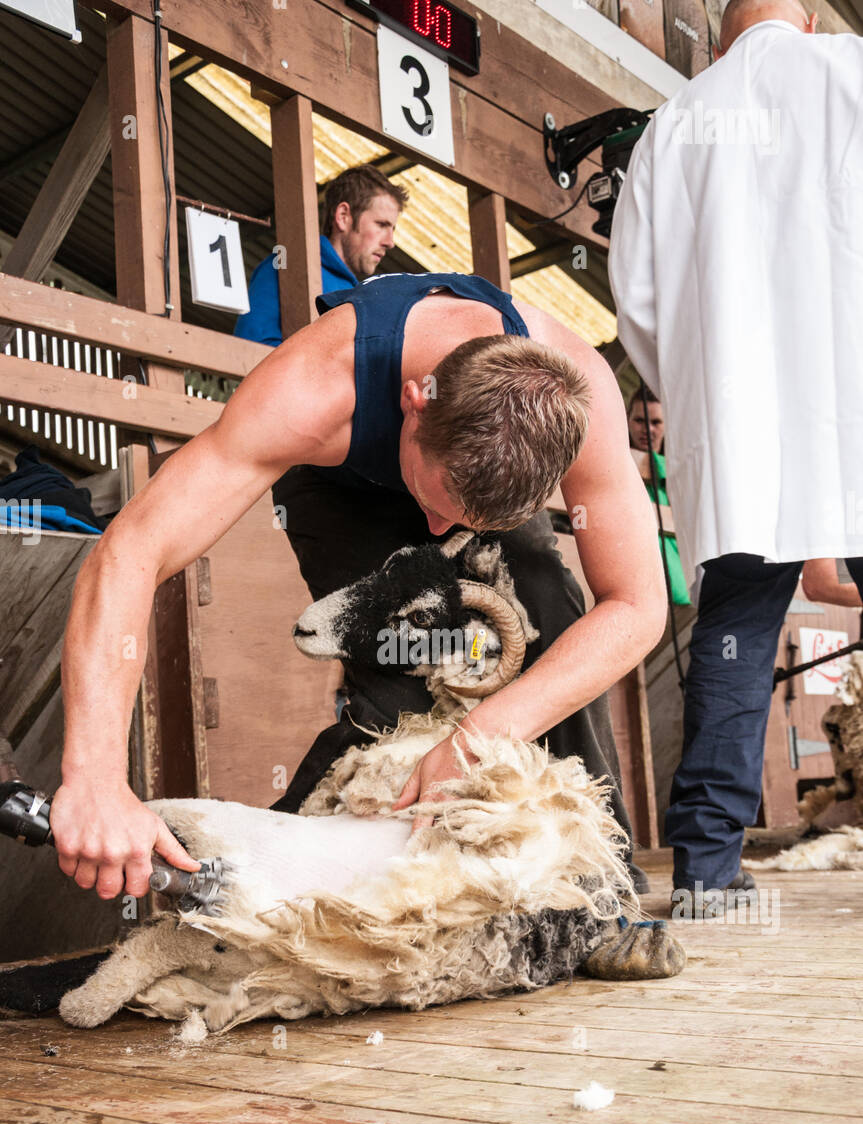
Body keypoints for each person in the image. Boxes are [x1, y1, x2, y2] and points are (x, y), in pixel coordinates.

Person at [50, 270, 666, 901]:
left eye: (464, 524)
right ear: (413, 399)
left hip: (465, 467)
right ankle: (259, 889)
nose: (440, 533)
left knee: (551, 616)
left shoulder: (580, 397)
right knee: (399, 674)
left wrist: (487, 730)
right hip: (342, 480)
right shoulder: (314, 388)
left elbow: (638, 606)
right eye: (437, 506)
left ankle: (599, 887)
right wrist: (93, 774)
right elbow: (131, 549)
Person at [608, 0, 863, 912]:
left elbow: (636, 295)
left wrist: (693, 383)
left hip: (743, 421)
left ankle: (708, 871)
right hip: (854, 395)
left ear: (719, 35)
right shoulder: (850, 72)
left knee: (736, 636)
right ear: (799, 18)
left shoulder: (674, 124)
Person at [233, 163, 407, 348]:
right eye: (381, 225)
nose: (390, 242)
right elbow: (251, 348)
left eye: (392, 229)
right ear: (343, 216)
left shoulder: (363, 297)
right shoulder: (285, 267)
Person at [626, 388, 690, 608]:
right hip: (634, 597)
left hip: (680, 600)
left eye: (656, 422)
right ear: (627, 421)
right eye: (640, 420)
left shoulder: (681, 473)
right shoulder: (616, 468)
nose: (648, 429)